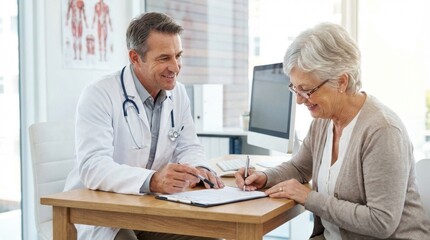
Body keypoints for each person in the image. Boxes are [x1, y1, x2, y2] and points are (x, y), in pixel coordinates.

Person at [235, 23, 430, 239]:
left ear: (341, 82)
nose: (299, 100)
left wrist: (309, 198)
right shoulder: (323, 121)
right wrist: (264, 177)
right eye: (295, 89)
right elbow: (299, 168)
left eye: (307, 90)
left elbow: (381, 222)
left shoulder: (382, 131)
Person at [64, 12, 224, 240]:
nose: (176, 67)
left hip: (152, 208)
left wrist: (200, 169)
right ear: (135, 57)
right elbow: (93, 167)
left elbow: (189, 146)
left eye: (178, 56)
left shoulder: (177, 93)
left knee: (211, 236)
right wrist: (153, 180)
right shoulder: (99, 94)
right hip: (104, 213)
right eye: (164, 58)